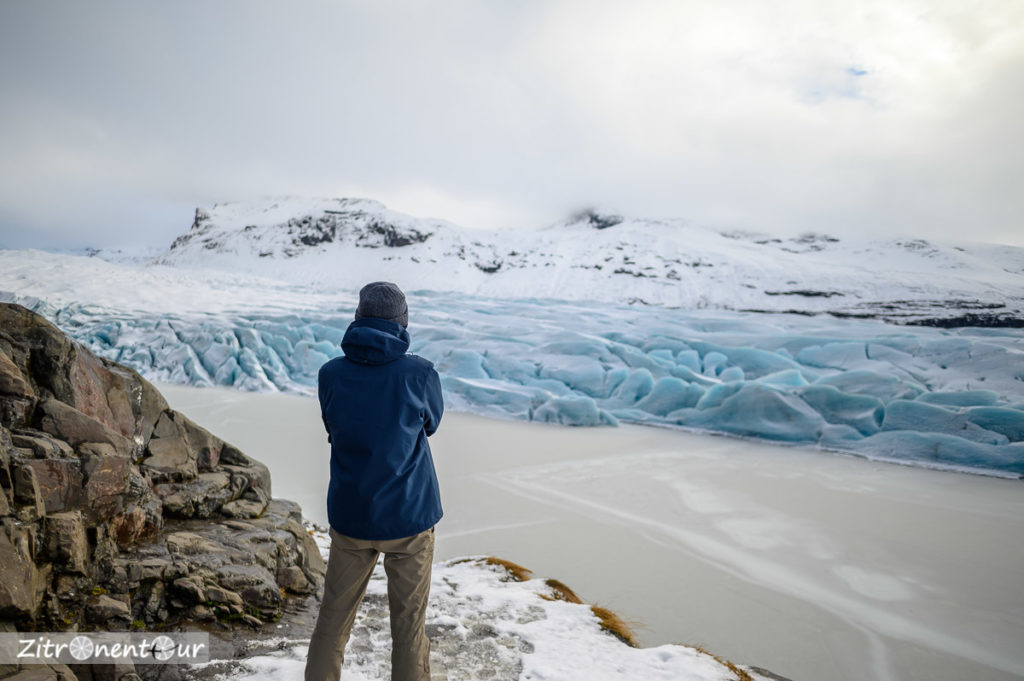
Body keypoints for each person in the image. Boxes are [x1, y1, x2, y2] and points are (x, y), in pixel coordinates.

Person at [305, 281, 444, 681]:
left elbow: (334, 427)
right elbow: (430, 425)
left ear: (358, 319)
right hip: (410, 516)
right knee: (408, 629)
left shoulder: (330, 374)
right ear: (402, 323)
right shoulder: (420, 373)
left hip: (352, 516)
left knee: (332, 620)